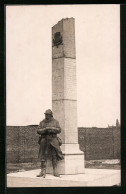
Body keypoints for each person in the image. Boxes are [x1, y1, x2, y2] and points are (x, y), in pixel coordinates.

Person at [36, 109, 63, 178]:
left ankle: (55, 171)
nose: (46, 115)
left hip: (53, 139)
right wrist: (45, 129)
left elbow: (59, 130)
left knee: (54, 155)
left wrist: (52, 128)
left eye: (47, 114)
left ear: (51, 115)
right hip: (44, 139)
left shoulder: (55, 122)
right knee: (43, 156)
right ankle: (42, 171)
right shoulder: (42, 122)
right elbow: (38, 130)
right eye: (45, 114)